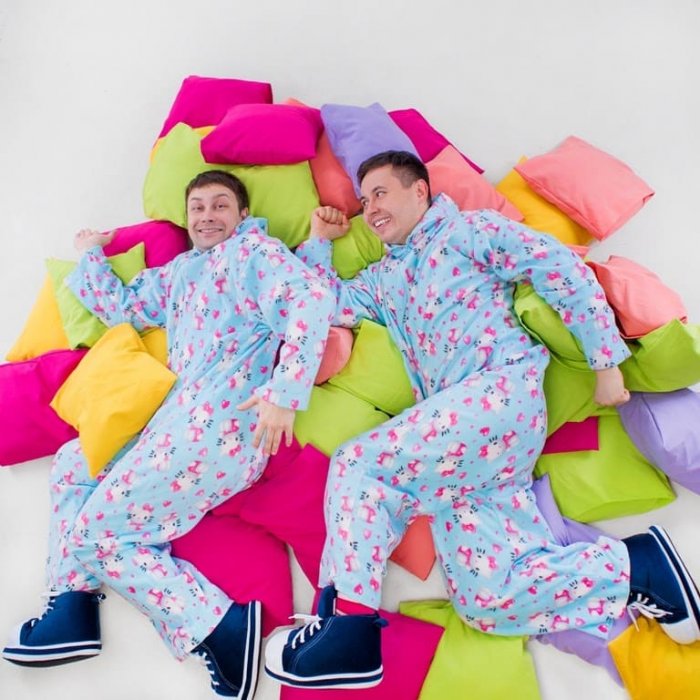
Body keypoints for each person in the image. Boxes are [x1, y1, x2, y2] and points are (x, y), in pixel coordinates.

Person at [263, 151, 700, 690]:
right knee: (486, 599)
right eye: (363, 199)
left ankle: (347, 627)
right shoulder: (384, 278)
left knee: (361, 465)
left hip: (497, 398)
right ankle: (636, 567)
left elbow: (557, 267)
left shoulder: (469, 233)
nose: (369, 208)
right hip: (462, 450)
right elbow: (319, 304)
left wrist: (604, 360)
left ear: (419, 191)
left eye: (380, 193)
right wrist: (318, 242)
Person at [2, 170, 334, 699]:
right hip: (175, 424)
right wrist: (91, 255)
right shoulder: (181, 272)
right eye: (197, 207)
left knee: (95, 534)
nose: (207, 216)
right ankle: (71, 606)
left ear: (243, 215)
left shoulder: (254, 253)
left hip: (223, 428)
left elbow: (310, 297)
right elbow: (123, 310)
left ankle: (220, 627)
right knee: (73, 461)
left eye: (220, 205)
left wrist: (284, 393)